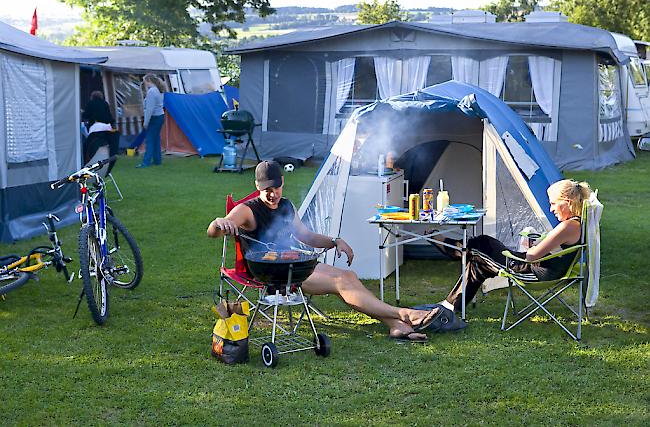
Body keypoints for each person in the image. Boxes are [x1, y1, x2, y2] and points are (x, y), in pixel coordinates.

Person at [207, 161, 464, 341]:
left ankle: (395, 325)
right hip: (270, 273)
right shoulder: (248, 210)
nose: (271, 194)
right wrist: (220, 223)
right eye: (266, 189)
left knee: (348, 277)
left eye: (275, 187)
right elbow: (214, 229)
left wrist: (334, 241)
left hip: (294, 263)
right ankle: (404, 314)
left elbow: (304, 236)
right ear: (257, 185)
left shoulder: (285, 205)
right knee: (341, 282)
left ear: (282, 182)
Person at [437, 179, 592, 315]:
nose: (551, 209)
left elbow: (532, 256)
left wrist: (531, 246)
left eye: (553, 204)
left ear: (568, 202)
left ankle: (445, 244)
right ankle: (451, 305)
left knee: (481, 245)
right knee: (480, 261)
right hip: (535, 267)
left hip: (533, 272)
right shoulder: (576, 224)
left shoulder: (568, 226)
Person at [137, 73, 166, 168]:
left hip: (154, 118)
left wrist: (146, 122)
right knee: (156, 139)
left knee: (149, 140)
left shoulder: (152, 92)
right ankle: (157, 160)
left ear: (149, 80)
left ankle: (146, 162)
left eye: (145, 82)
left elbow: (149, 109)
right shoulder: (158, 90)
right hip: (160, 116)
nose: (145, 84)